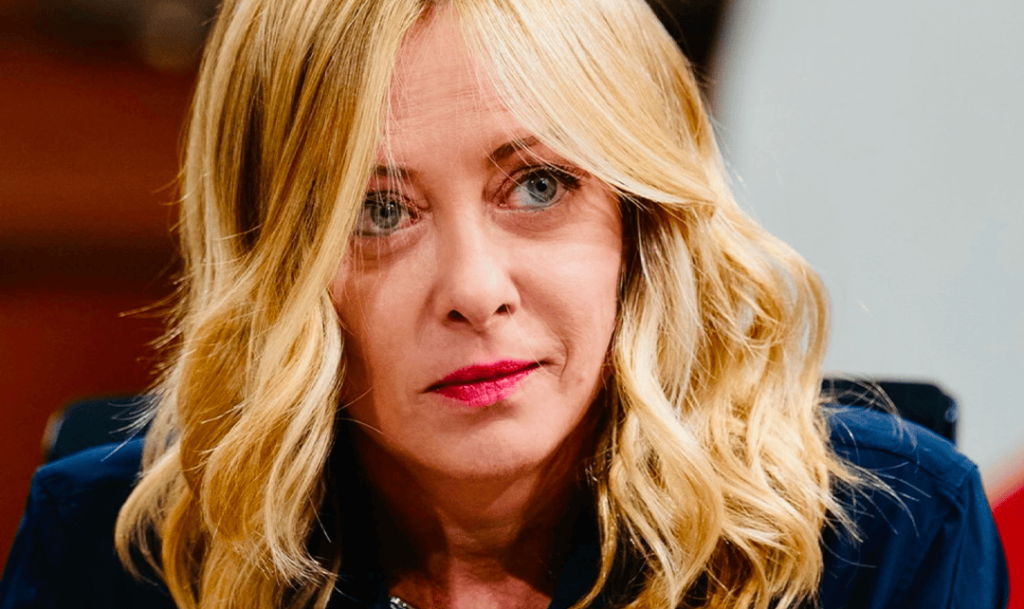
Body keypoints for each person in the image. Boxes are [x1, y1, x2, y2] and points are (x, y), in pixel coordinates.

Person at [0, 0, 1009, 608]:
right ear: (277, 262)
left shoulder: (886, 534)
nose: (475, 290)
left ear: (643, 219)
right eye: (378, 211)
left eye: (538, 186)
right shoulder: (112, 546)